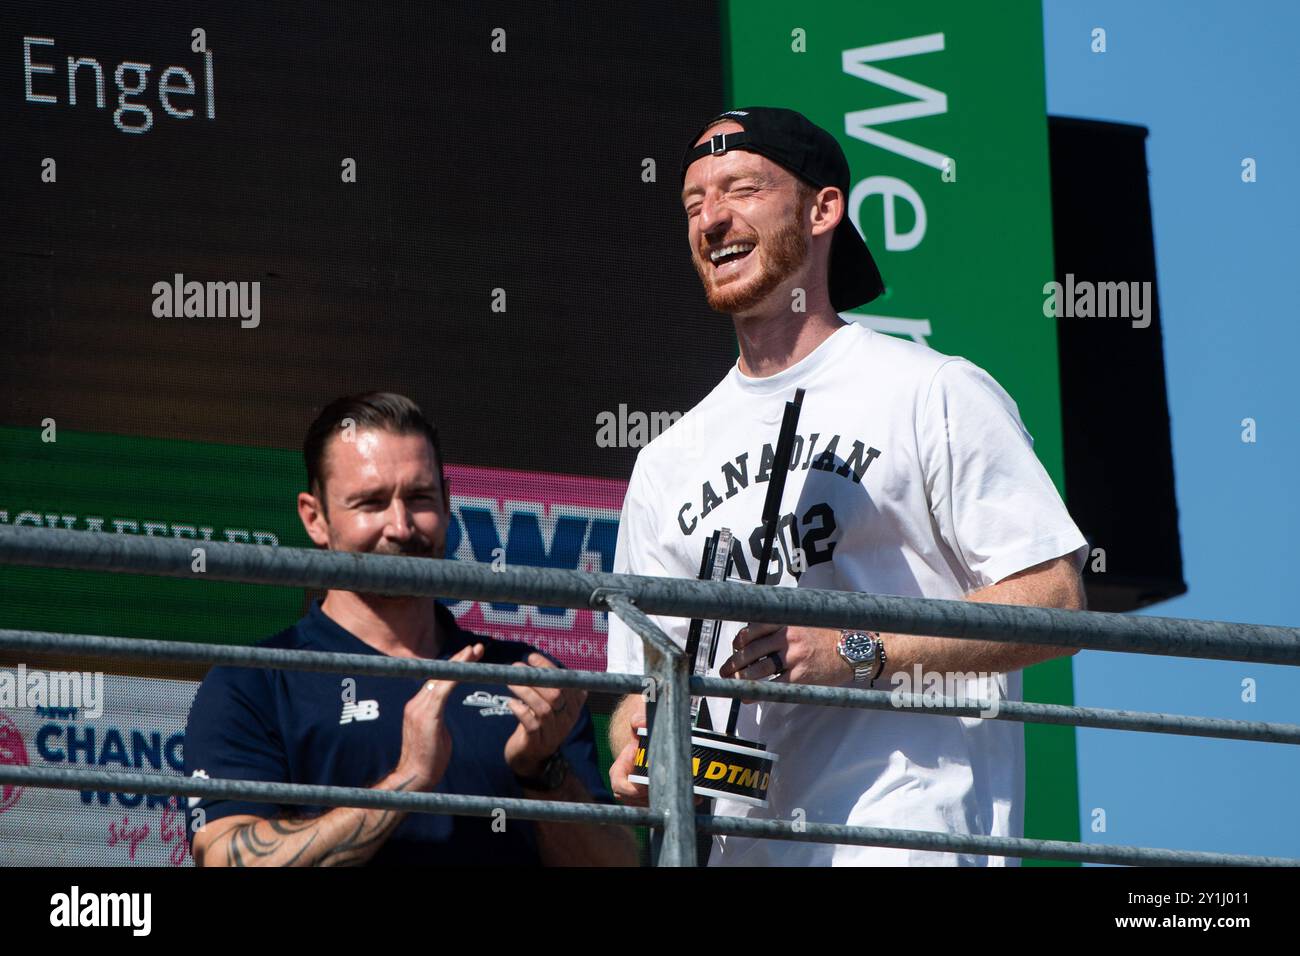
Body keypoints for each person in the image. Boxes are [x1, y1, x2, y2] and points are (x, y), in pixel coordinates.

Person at [605, 107, 1089, 866]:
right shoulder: (666, 459)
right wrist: (638, 751)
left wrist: (856, 650)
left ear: (823, 208)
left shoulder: (934, 392)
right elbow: (644, 681)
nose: (712, 219)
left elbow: (1056, 600)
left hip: (908, 840)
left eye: (741, 189)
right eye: (694, 203)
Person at [184, 392, 637, 866]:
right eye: (371, 502)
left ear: (446, 503)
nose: (400, 527)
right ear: (314, 517)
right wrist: (408, 780)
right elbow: (225, 858)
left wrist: (542, 773)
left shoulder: (528, 679)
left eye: (419, 498)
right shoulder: (254, 682)